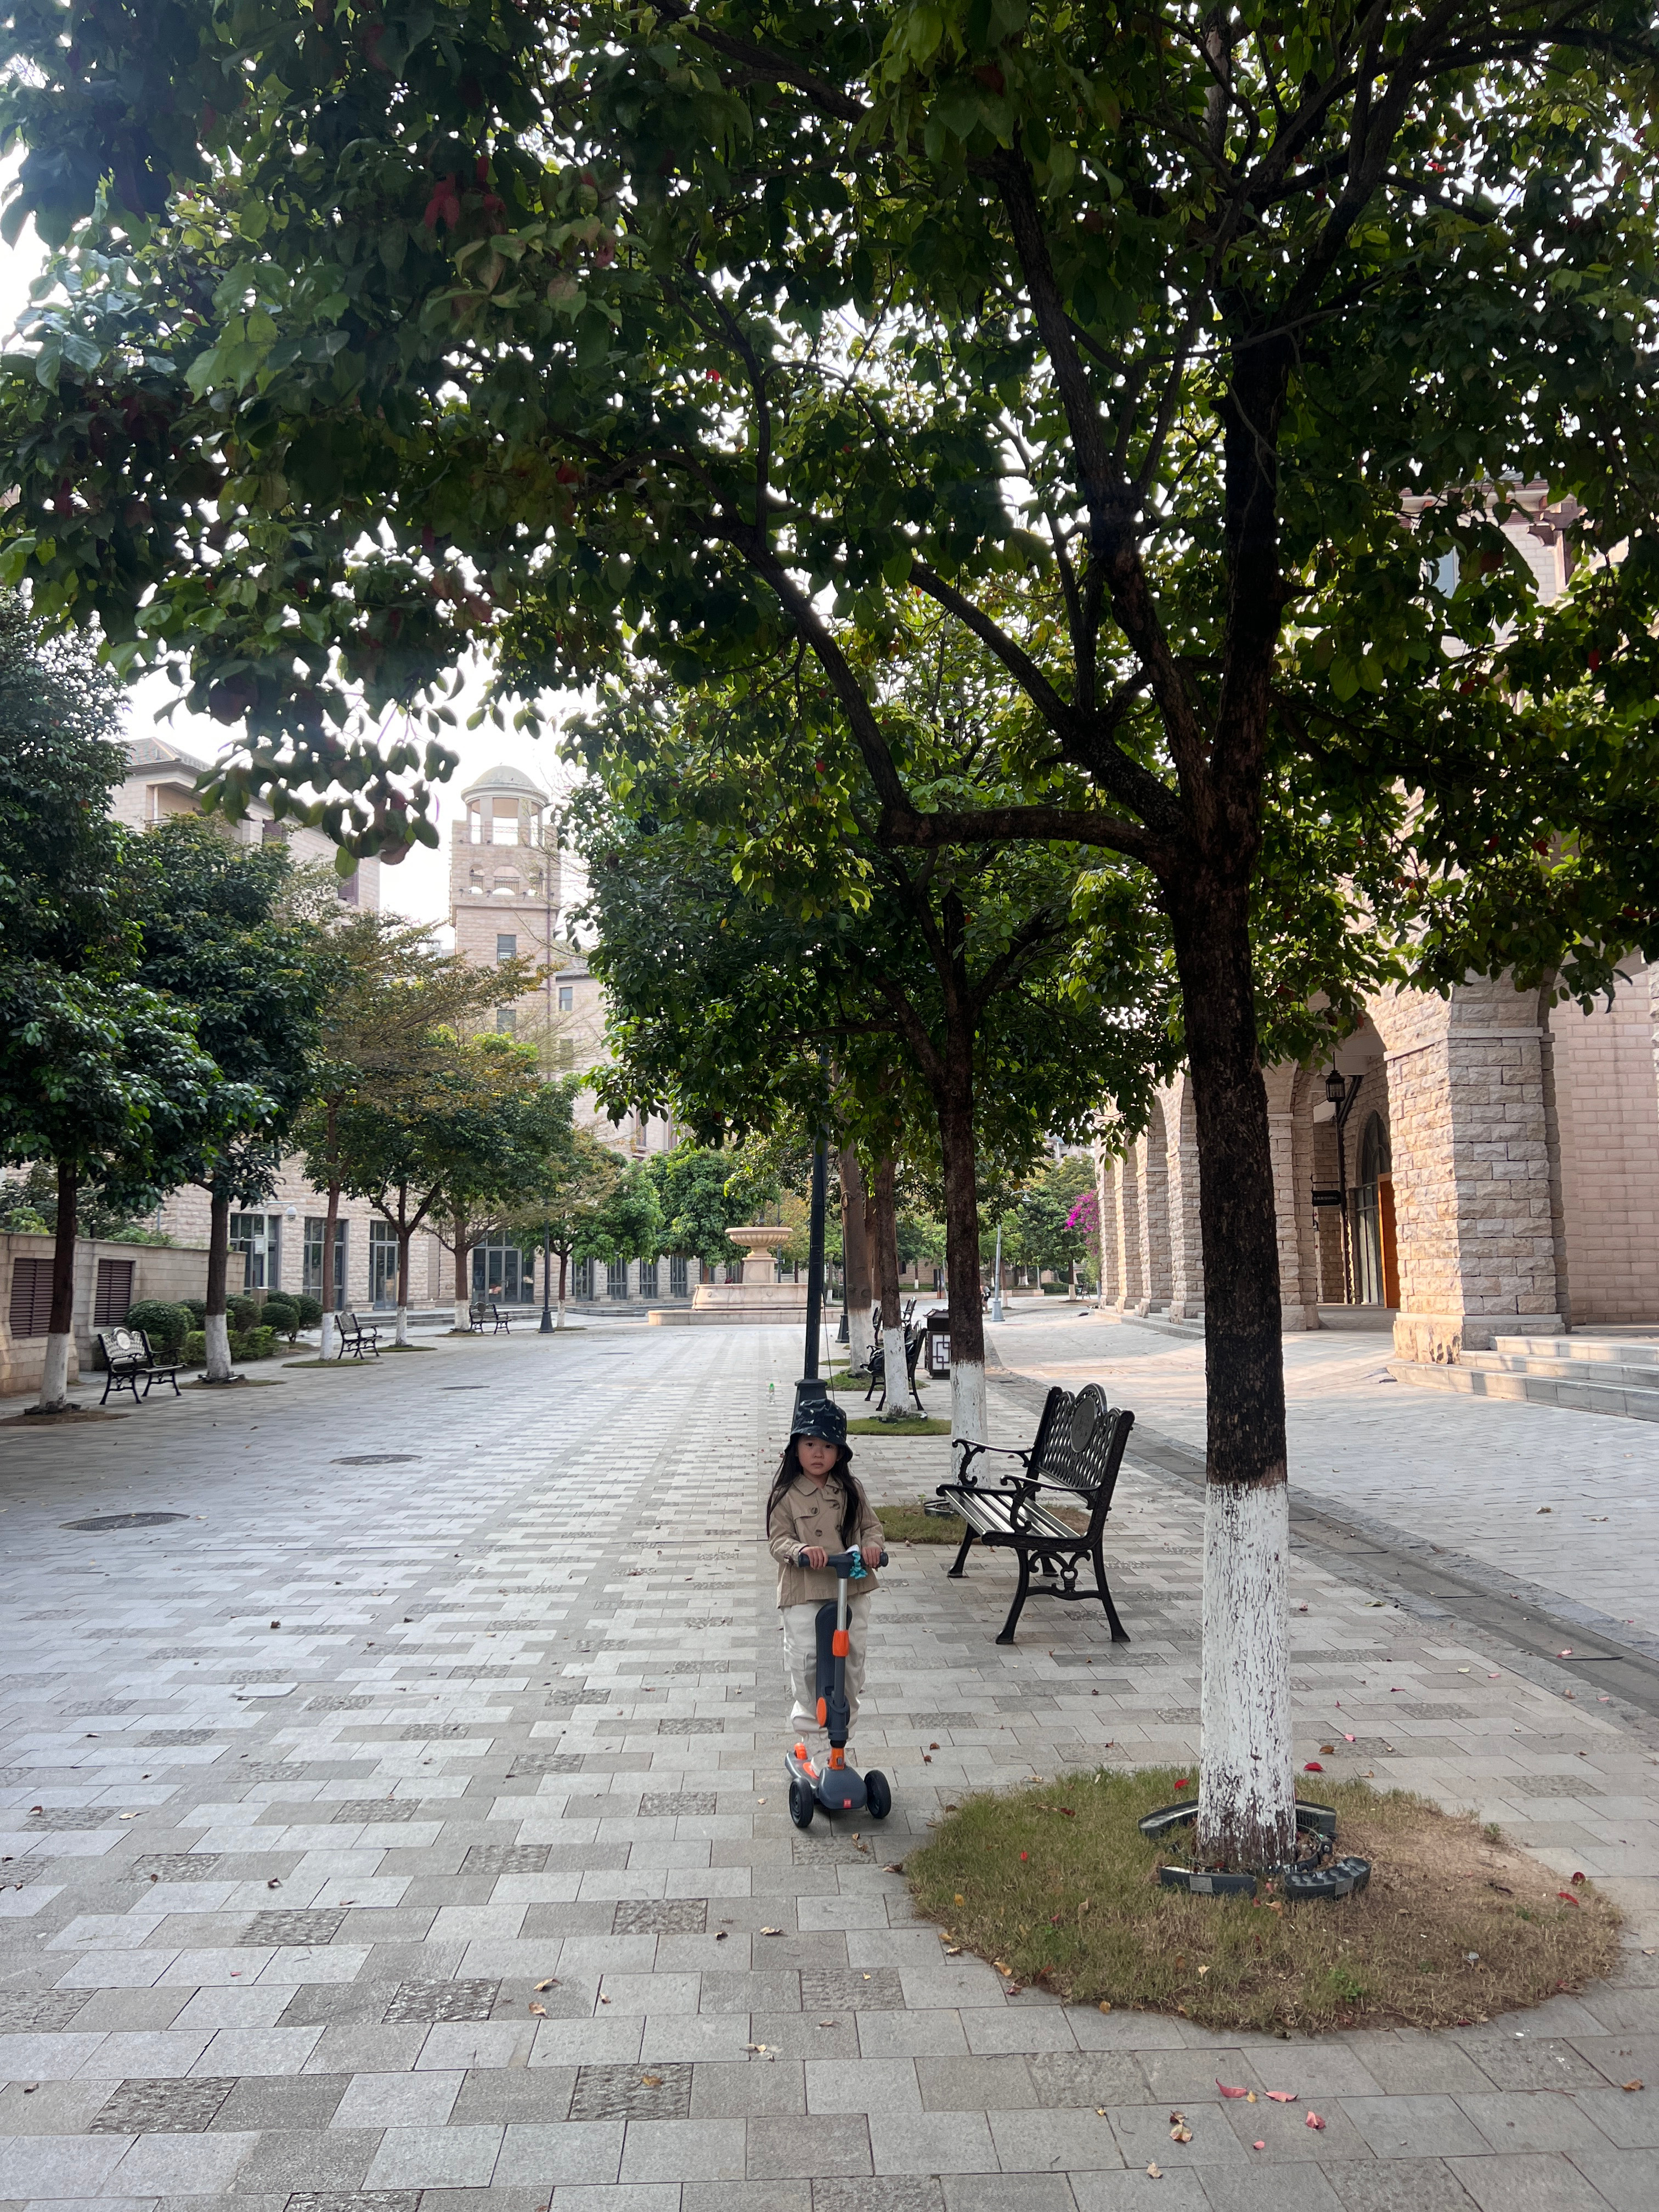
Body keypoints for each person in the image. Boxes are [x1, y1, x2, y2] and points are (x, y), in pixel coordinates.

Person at [765, 1397, 885, 1748]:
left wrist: (873, 1546)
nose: (818, 1453)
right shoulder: (786, 1496)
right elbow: (778, 1541)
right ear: (796, 1449)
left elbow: (871, 1527)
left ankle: (840, 1744)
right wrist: (800, 1551)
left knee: (850, 1662)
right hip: (804, 1592)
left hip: (852, 1587)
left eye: (828, 1445)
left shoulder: (850, 1490)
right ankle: (812, 1742)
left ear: (840, 1453)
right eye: (810, 1444)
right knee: (808, 1662)